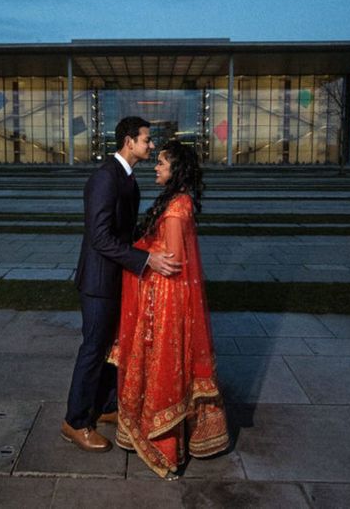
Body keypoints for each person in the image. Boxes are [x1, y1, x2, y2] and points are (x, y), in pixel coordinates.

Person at [110, 140, 229, 479]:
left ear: (176, 168)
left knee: (165, 366)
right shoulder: (177, 201)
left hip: (166, 301)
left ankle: (164, 442)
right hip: (166, 298)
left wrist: (142, 254)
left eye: (162, 162)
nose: (157, 167)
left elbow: (172, 261)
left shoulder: (177, 208)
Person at [62, 117, 182, 452]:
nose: (152, 145)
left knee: (109, 348)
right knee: (93, 349)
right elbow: (100, 238)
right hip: (99, 281)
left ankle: (106, 407)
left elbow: (126, 233)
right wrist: (145, 260)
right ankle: (75, 421)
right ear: (129, 141)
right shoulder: (105, 178)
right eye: (147, 140)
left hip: (117, 278)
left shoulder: (127, 180)